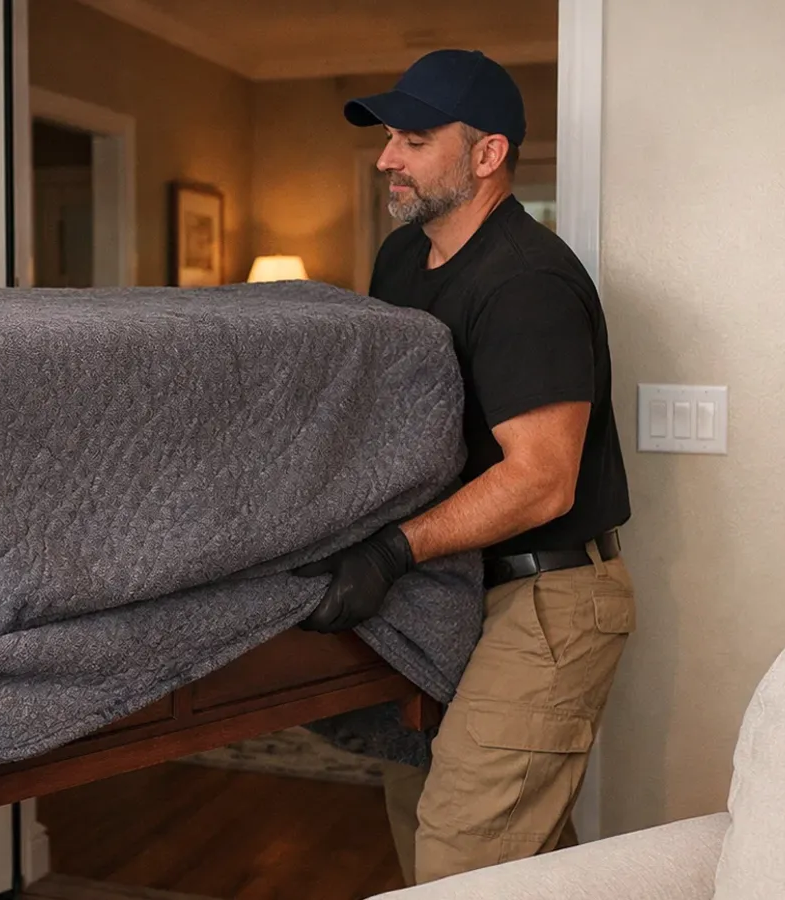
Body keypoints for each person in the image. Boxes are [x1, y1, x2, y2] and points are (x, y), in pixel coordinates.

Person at [291, 49, 636, 885]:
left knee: (462, 858)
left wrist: (391, 551)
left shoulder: (527, 282)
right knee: (430, 820)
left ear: (487, 155)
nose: (386, 159)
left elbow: (542, 479)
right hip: (449, 593)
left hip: (544, 601)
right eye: (388, 140)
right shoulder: (402, 261)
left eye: (412, 139)